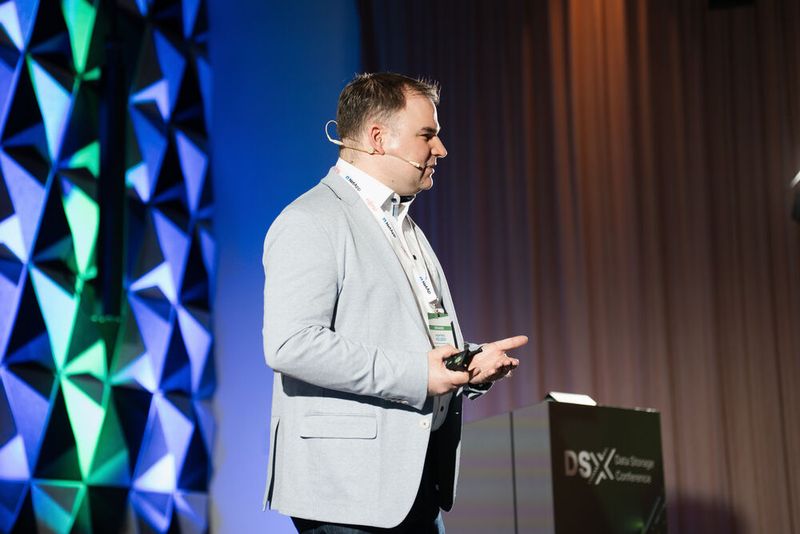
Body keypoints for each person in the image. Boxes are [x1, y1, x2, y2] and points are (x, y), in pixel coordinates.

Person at [261, 72, 528, 533]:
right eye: (428, 135)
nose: (440, 149)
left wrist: (467, 365)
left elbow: (407, 336)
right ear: (378, 138)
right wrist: (418, 374)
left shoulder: (404, 226)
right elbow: (291, 345)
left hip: (414, 485)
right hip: (348, 493)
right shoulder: (310, 219)